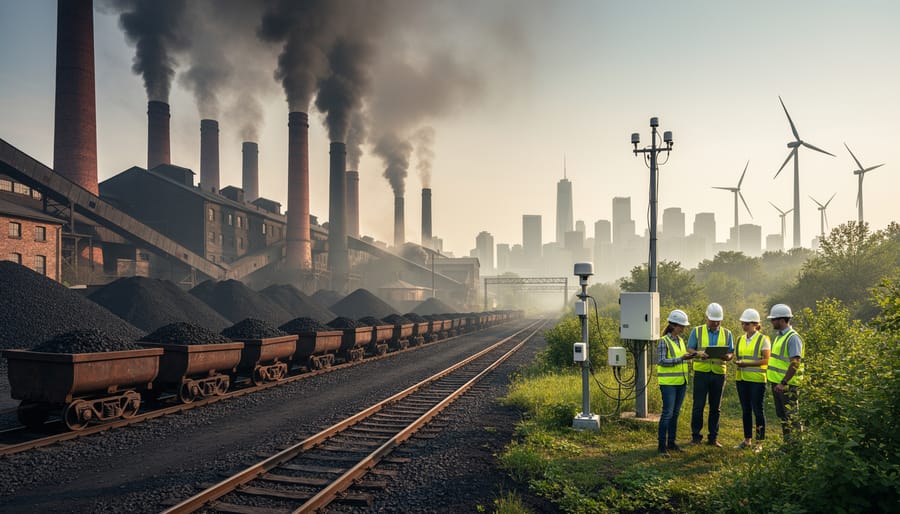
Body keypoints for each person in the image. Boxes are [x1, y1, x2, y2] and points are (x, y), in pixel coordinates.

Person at [687, 302, 734, 447]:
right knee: (698, 406)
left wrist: (728, 357)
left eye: (718, 320)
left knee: (715, 407)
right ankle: (696, 436)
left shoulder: (727, 333)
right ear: (707, 317)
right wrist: (698, 353)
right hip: (701, 373)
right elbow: (689, 349)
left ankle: (713, 438)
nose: (715, 323)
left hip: (719, 374)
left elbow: (731, 352)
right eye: (713, 320)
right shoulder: (697, 331)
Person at [656, 309, 696, 457]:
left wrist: (689, 357)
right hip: (668, 383)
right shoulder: (663, 341)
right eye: (681, 326)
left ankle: (671, 443)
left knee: (675, 414)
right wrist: (681, 359)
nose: (683, 329)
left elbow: (680, 358)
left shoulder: (680, 340)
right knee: (667, 413)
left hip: (681, 382)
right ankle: (661, 446)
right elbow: (661, 361)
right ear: (673, 325)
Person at [734, 308, 771, 450]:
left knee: (758, 410)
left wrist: (746, 364)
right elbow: (739, 357)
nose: (744, 326)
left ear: (755, 324)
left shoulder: (763, 339)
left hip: (757, 380)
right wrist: (737, 363)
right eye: (743, 323)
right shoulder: (740, 339)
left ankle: (759, 443)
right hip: (742, 379)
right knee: (745, 410)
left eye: (747, 324)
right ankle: (747, 440)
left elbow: (766, 360)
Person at [766, 303, 804, 440]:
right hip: (778, 384)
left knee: (792, 416)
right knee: (783, 416)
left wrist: (784, 382)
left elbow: (795, 362)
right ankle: (788, 446)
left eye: (773, 319)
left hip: (787, 385)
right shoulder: (780, 336)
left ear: (782, 320)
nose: (771, 322)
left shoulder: (793, 338)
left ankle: (796, 447)